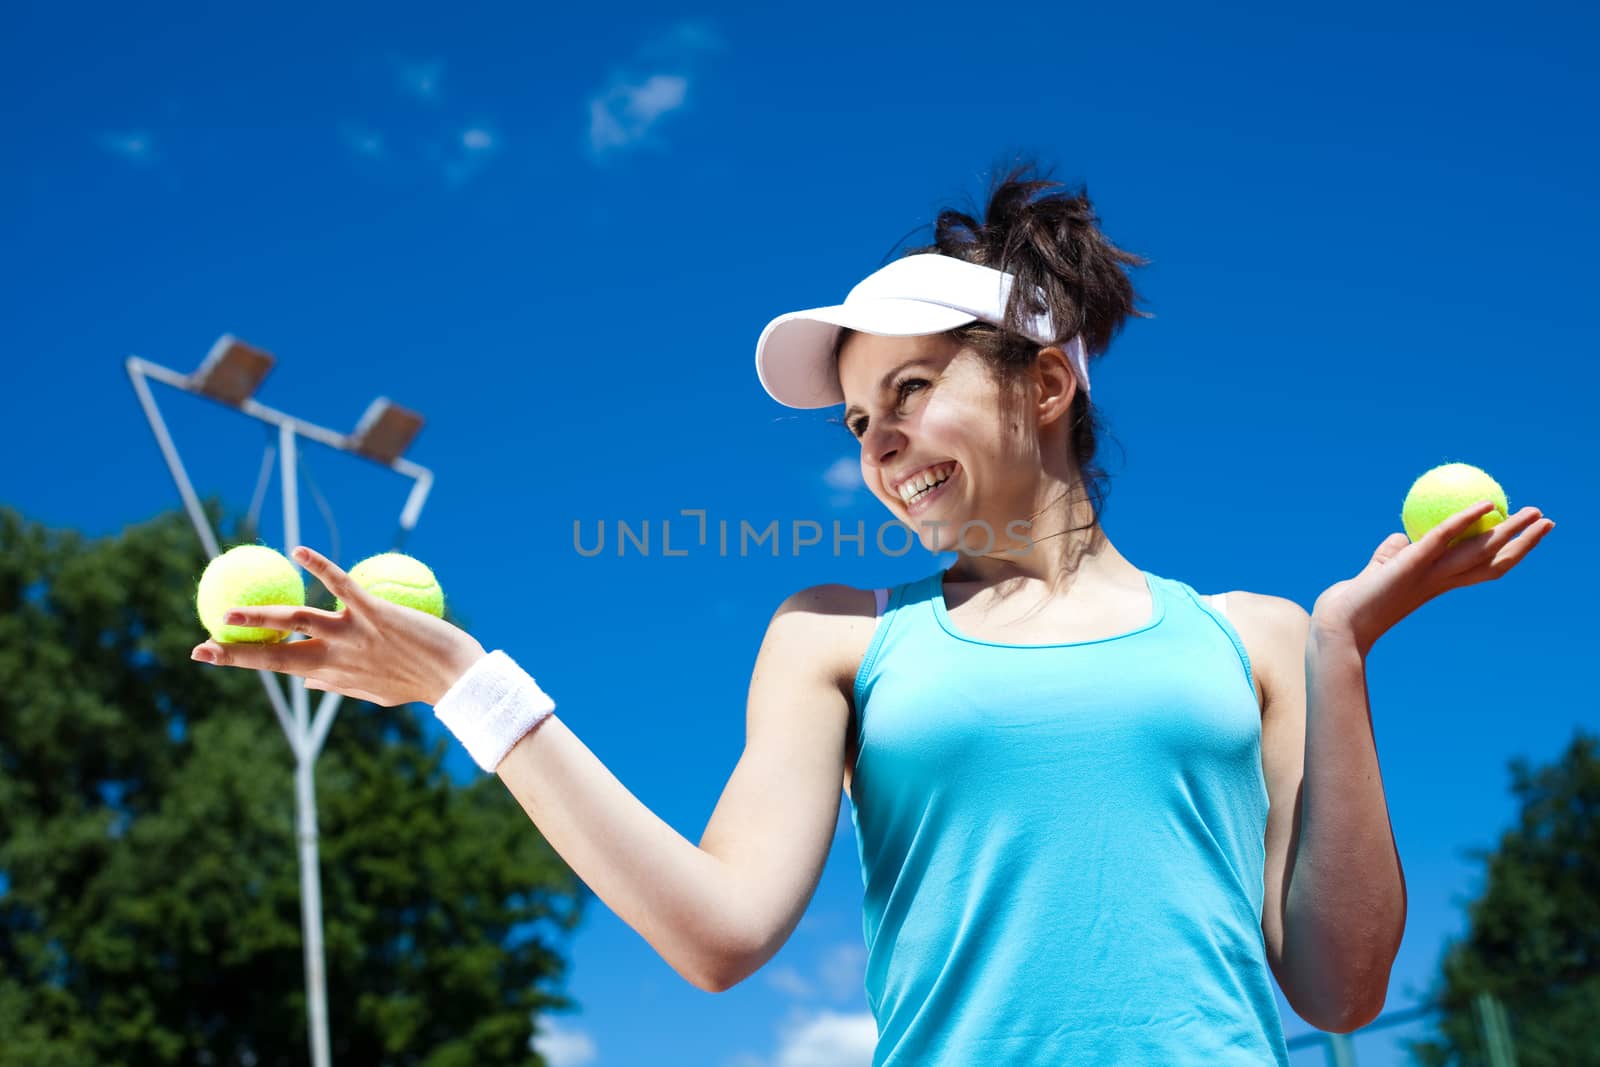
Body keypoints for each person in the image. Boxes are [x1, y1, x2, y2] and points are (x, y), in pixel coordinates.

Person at [191, 159, 1555, 1066]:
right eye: (858, 420)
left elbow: (1341, 989)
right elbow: (718, 934)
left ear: (1044, 385)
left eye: (911, 390)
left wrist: (1342, 649)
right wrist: (467, 690)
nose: (880, 445)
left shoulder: (1258, 636)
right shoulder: (836, 637)